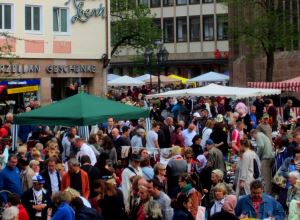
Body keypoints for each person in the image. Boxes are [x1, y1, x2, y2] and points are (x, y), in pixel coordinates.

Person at [250, 129, 274, 194]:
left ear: (254, 134)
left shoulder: (258, 136)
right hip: (269, 157)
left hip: (266, 158)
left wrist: (257, 156)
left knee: (265, 177)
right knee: (268, 177)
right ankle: (268, 192)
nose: (254, 138)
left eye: (253, 137)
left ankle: (266, 193)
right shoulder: (262, 135)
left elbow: (261, 146)